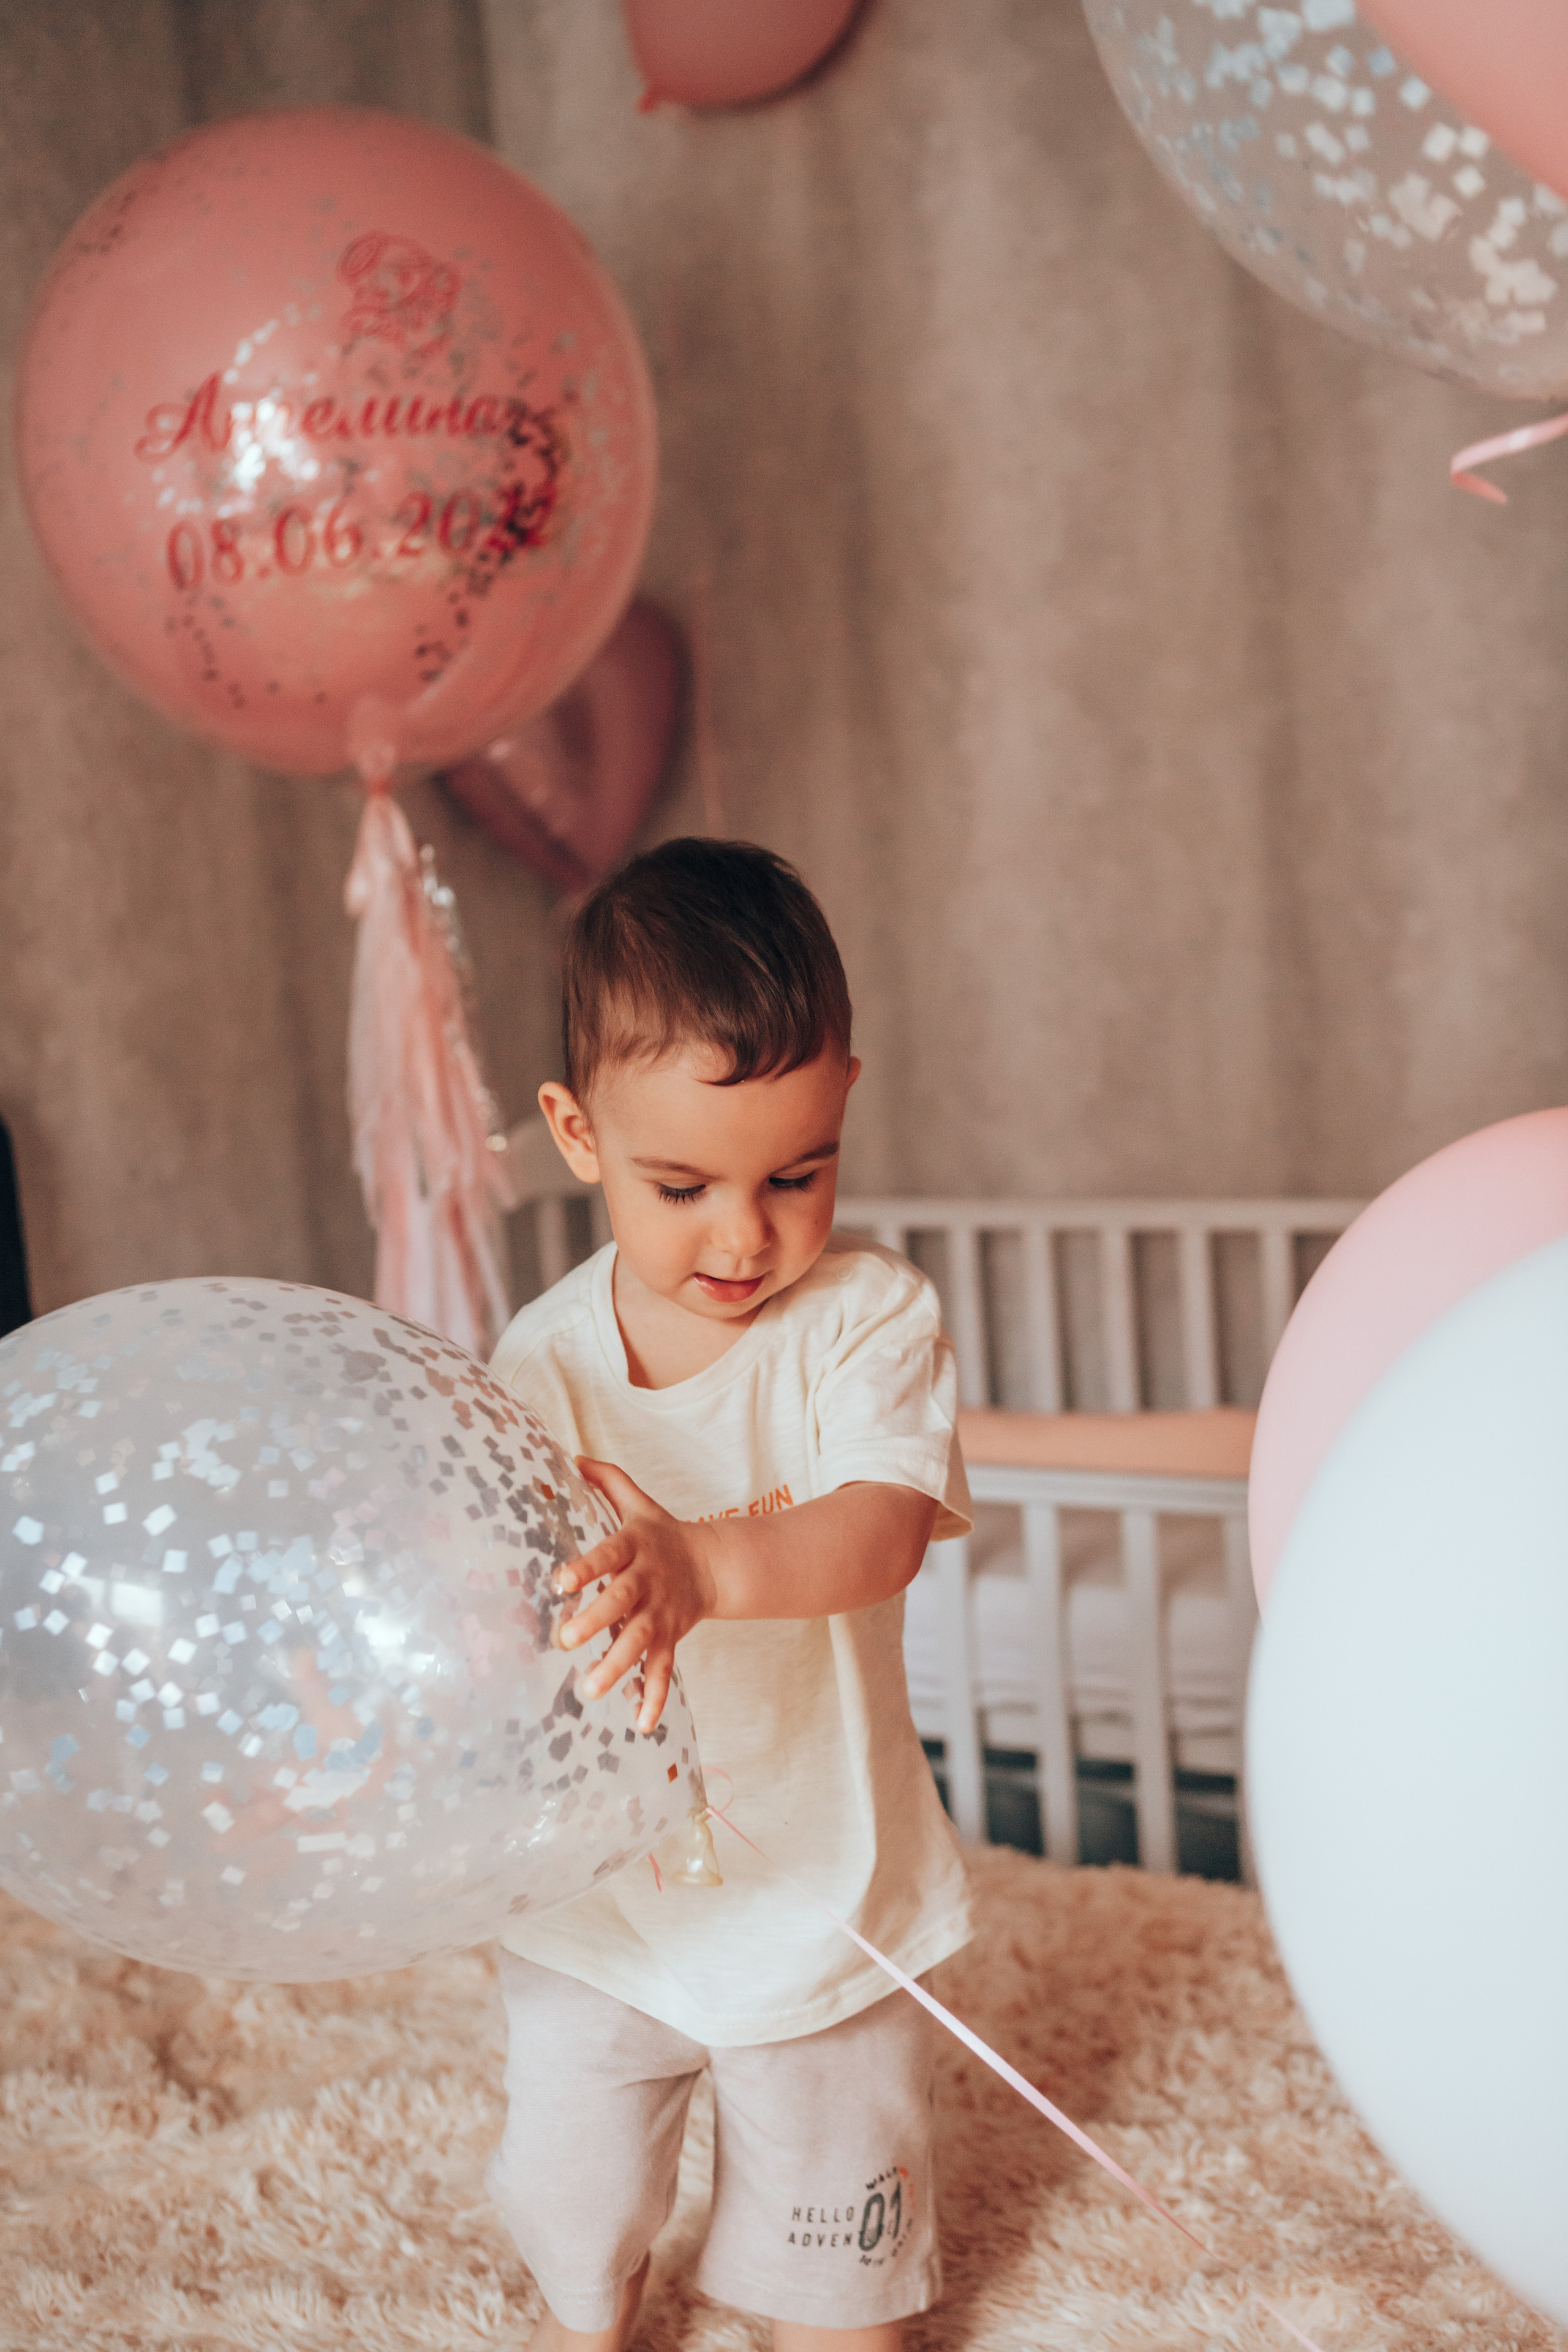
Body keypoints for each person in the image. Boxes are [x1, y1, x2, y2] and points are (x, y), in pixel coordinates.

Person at [486, 838, 973, 2352]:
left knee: (840, 2314)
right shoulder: (537, 1365)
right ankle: (608, 2289)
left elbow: (880, 1529)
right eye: (681, 1184)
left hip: (820, 1901)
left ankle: (794, 2283)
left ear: (844, 1100)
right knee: (572, 2230)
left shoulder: (868, 1321)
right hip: (599, 1908)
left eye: (797, 1172)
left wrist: (700, 1565)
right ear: (577, 1134)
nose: (744, 1234)